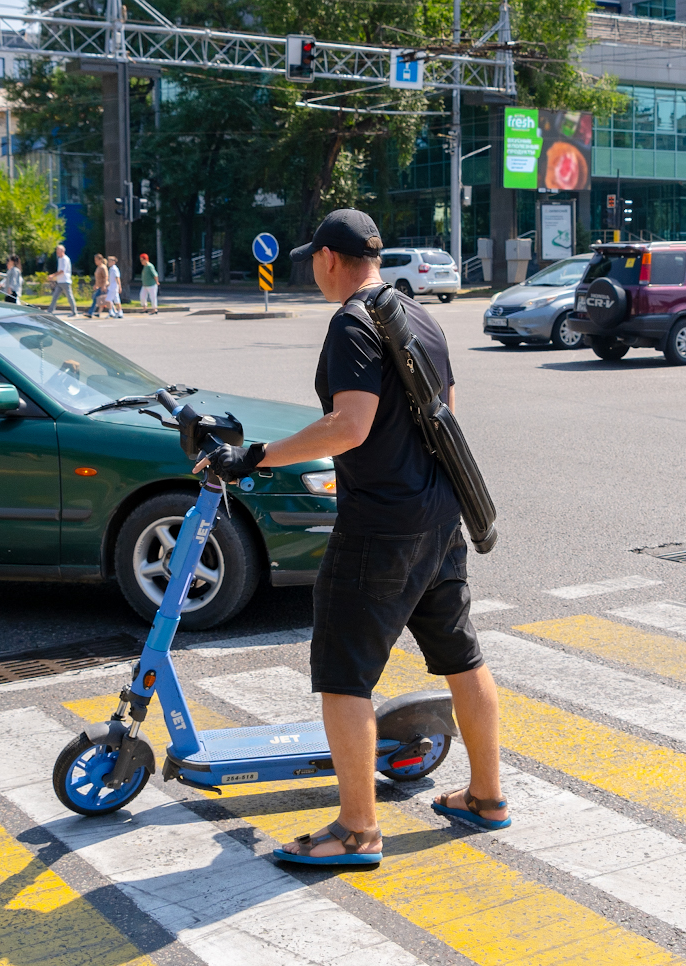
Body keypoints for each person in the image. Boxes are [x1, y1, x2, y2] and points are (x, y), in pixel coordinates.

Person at [198, 208, 507, 866]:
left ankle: (358, 830)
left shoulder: (350, 323)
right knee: (462, 657)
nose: (314, 268)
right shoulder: (418, 313)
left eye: (315, 258)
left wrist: (254, 457)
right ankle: (487, 796)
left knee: (344, 675)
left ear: (331, 259)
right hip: (438, 514)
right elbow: (443, 413)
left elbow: (349, 426)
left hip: (381, 527)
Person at [47, 244, 78, 315]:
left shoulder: (65, 259)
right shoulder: (60, 259)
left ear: (62, 251)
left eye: (58, 250)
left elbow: (62, 271)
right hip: (60, 281)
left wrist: (53, 275)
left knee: (69, 296)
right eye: (56, 250)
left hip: (65, 281)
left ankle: (74, 312)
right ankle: (50, 311)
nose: (57, 252)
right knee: (55, 296)